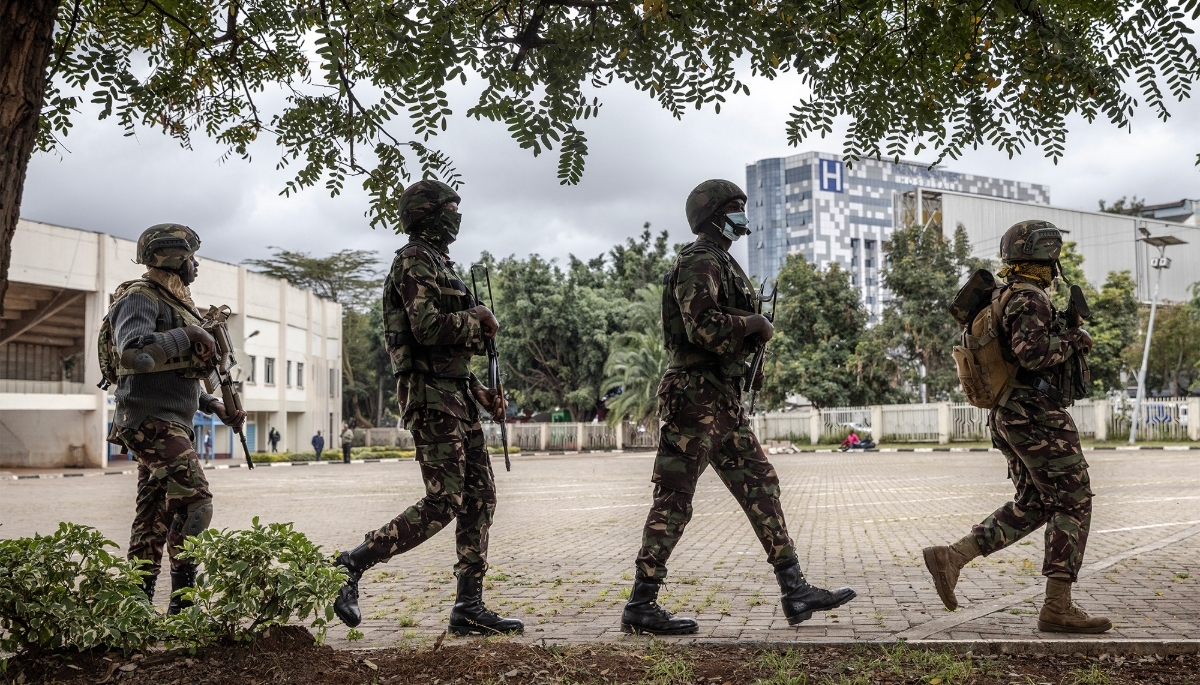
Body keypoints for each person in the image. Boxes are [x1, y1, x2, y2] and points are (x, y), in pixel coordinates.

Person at [619, 180, 856, 635]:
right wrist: (753, 324)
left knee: (761, 486)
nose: (742, 215)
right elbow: (702, 325)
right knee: (674, 498)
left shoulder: (723, 262)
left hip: (722, 398)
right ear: (712, 215)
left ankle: (795, 589)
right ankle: (641, 604)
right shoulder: (700, 260)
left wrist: (750, 348)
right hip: (695, 397)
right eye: (734, 207)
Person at [330, 180, 522, 637]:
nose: (457, 217)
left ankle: (468, 607)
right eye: (450, 209)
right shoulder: (413, 259)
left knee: (480, 498)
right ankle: (353, 562)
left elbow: (449, 357)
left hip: (456, 398)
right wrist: (476, 319)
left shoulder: (440, 263)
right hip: (430, 399)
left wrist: (480, 391)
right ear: (428, 215)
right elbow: (427, 328)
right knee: (445, 500)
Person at [923, 220, 1108, 633]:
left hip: (1010, 413)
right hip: (1035, 412)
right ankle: (1057, 607)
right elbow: (1033, 354)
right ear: (1047, 255)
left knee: (1035, 503)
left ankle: (953, 557)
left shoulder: (1003, 295)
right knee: (1073, 502)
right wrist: (1076, 339)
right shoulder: (1028, 298)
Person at [105, 224, 246, 614]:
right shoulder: (140, 298)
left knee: (152, 517)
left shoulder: (176, 302)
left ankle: (137, 609)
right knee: (196, 502)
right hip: (150, 420)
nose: (195, 265)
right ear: (173, 257)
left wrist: (212, 404)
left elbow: (172, 375)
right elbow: (134, 355)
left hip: (168, 420)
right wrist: (191, 334)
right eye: (191, 258)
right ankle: (183, 606)